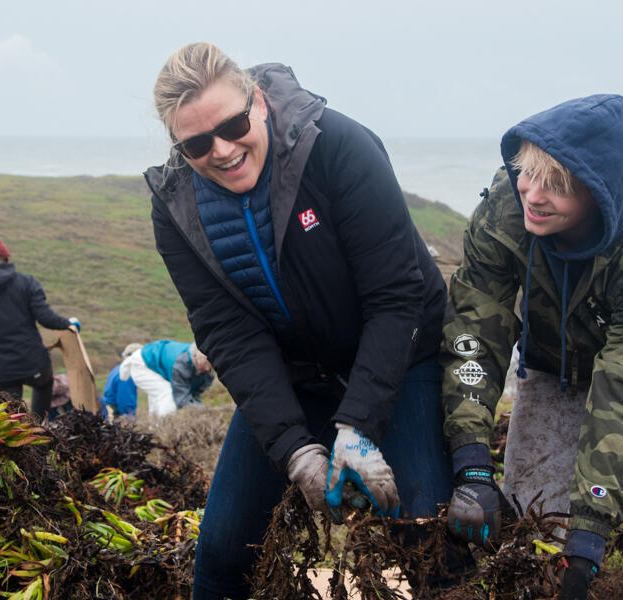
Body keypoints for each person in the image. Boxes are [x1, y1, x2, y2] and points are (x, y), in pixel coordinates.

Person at [144, 42, 453, 598]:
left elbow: (396, 295)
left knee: (429, 537)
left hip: (401, 358)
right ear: (178, 146)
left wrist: (358, 427)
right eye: (195, 143)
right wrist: (295, 448)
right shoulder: (176, 206)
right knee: (221, 554)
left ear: (258, 103)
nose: (221, 150)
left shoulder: (337, 146)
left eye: (233, 123)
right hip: (295, 375)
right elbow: (227, 333)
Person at [440, 95, 623, 599]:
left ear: (597, 192)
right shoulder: (506, 206)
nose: (532, 194)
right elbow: (475, 330)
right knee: (530, 495)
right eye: (527, 174)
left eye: (554, 185)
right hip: (558, 349)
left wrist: (589, 538)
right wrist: (471, 460)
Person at [0, 234, 80, 420]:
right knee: (43, 387)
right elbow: (45, 317)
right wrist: (69, 324)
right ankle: (38, 424)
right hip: (33, 363)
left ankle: (22, 435)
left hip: (1, 371)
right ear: (7, 259)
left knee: (11, 423)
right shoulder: (26, 283)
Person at [120, 339, 214, 416]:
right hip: (143, 364)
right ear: (195, 358)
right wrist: (203, 410)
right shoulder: (180, 365)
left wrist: (202, 410)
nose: (206, 368)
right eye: (204, 364)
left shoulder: (208, 368)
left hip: (157, 363)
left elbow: (194, 394)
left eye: (209, 366)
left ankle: (153, 427)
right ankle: (165, 426)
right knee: (166, 394)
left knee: (157, 399)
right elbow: (181, 400)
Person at [100, 343, 143, 420]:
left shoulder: (118, 368)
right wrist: (130, 417)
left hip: (108, 409)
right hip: (115, 414)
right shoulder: (127, 375)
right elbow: (125, 401)